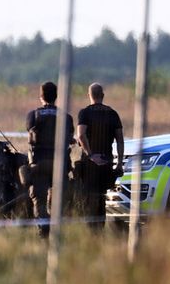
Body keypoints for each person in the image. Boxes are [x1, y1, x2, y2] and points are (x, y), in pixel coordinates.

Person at [26, 81, 74, 237]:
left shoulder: (33, 115)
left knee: (38, 200)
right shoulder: (66, 117)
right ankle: (56, 229)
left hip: (39, 163)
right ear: (56, 97)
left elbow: (30, 131)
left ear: (41, 97)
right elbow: (69, 136)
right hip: (60, 165)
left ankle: (44, 231)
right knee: (58, 199)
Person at [76, 82, 124, 228]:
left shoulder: (84, 113)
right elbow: (120, 140)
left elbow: (81, 135)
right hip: (106, 163)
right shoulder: (113, 114)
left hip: (89, 165)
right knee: (102, 199)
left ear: (89, 95)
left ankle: (91, 233)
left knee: (89, 200)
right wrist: (119, 163)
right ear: (102, 95)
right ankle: (100, 231)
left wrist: (90, 155)